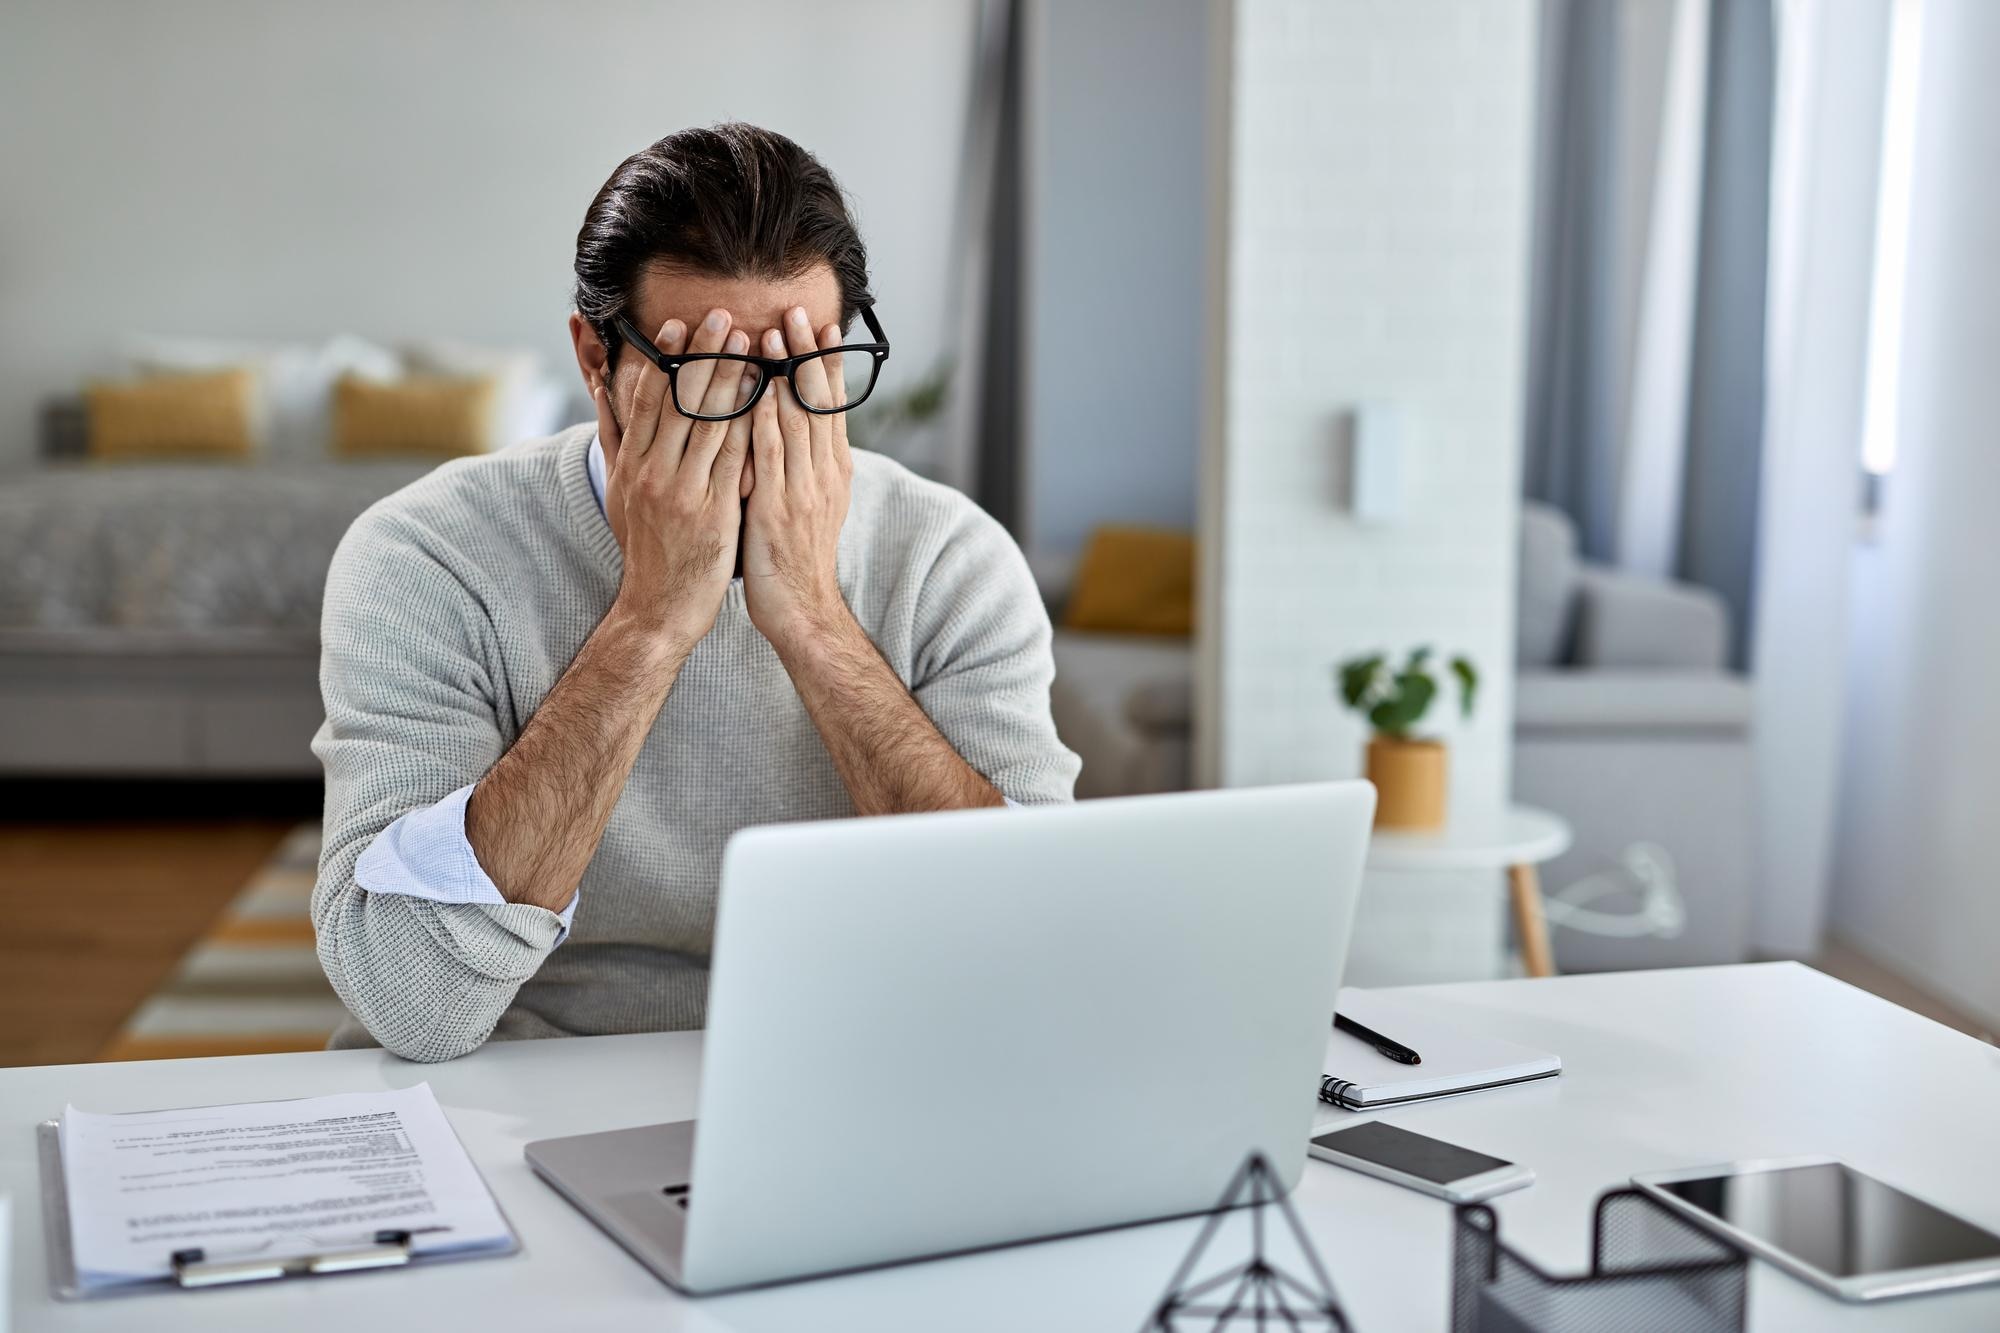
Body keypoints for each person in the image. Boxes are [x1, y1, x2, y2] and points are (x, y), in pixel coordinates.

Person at [312, 123, 1079, 1062]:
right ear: (598, 362)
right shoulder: (426, 556)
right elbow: (413, 999)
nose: (764, 419)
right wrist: (650, 621)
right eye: (710, 376)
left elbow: (1037, 955)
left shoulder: (950, 558)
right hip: (514, 1077)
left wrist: (812, 618)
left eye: (805, 367)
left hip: (853, 1069)